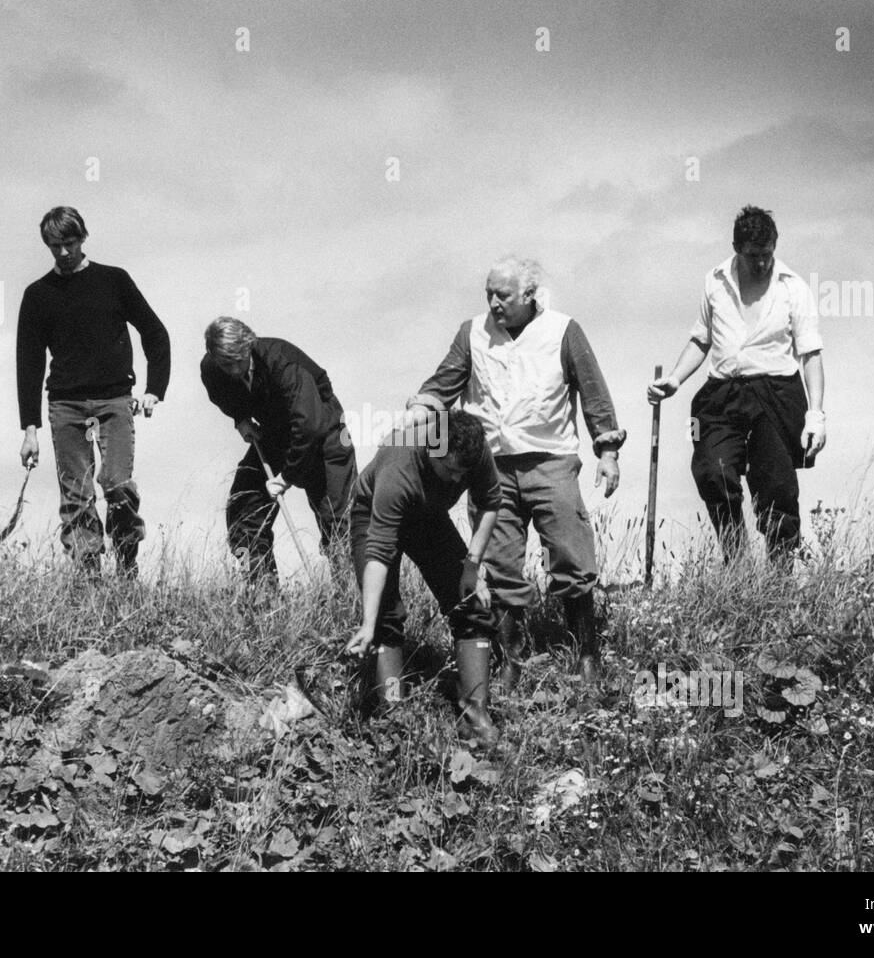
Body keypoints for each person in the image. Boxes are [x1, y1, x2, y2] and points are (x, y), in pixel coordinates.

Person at [406, 257, 625, 691]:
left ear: (529, 295)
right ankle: (512, 660)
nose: (493, 302)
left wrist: (608, 450)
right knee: (500, 563)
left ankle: (586, 656)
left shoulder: (563, 331)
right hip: (491, 468)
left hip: (551, 461)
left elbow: (593, 390)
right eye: (488, 293)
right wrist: (424, 403)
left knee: (572, 556)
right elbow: (445, 380)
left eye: (502, 295)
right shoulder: (473, 333)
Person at [648, 206, 826, 566]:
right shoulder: (715, 281)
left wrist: (816, 414)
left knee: (776, 486)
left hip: (776, 394)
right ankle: (737, 563)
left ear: (775, 246)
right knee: (712, 472)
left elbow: (810, 354)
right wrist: (675, 380)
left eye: (767, 255)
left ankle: (779, 580)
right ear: (736, 247)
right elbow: (701, 340)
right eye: (752, 256)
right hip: (722, 394)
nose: (761, 263)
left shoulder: (794, 288)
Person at [16, 207, 170, 578]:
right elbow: (29, 363)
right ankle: (89, 582)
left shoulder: (113, 280)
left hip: (115, 399)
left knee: (117, 485)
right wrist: (30, 429)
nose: (64, 253)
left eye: (69, 243)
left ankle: (127, 565)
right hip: (65, 404)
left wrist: (154, 390)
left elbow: (154, 332)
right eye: (55, 246)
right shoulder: (38, 295)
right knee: (77, 494)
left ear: (83, 238)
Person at [345, 409, 502, 745]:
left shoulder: (474, 450)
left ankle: (476, 717)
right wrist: (368, 623)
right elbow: (379, 552)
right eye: (450, 471)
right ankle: (394, 718)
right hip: (373, 516)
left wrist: (472, 567)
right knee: (386, 618)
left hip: (428, 517)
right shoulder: (399, 464)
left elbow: (490, 502)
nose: (457, 481)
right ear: (433, 449)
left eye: (464, 473)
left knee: (470, 602)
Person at [201, 317, 356, 589]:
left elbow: (309, 425)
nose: (235, 370)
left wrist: (287, 478)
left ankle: (352, 607)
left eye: (240, 361)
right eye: (227, 364)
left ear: (249, 344)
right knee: (243, 516)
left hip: (325, 432)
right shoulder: (212, 369)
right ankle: (264, 600)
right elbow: (219, 392)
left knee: (338, 524)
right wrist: (240, 417)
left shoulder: (282, 361)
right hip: (274, 434)